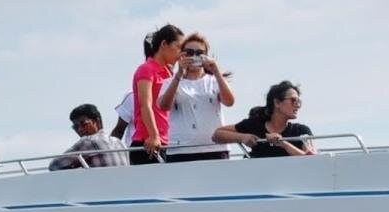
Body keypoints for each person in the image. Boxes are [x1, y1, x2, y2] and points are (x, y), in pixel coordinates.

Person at [163, 33, 237, 162]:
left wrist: (216, 71)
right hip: (181, 149)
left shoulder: (214, 81)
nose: (194, 57)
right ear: (181, 55)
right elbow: (164, 106)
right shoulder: (171, 82)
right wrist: (178, 75)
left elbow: (229, 102)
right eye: (189, 53)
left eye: (199, 53)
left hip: (214, 148)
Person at [128, 25, 185, 163]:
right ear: (164, 44)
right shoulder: (146, 69)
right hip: (147, 142)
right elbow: (145, 104)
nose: (181, 53)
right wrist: (154, 135)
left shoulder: (169, 73)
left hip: (165, 141)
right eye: (179, 47)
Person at [224, 81, 314, 156]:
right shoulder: (255, 125)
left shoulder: (301, 131)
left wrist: (283, 143)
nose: (297, 105)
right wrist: (242, 137)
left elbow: (312, 158)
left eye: (299, 101)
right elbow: (219, 133)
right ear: (277, 102)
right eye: (293, 100)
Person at [50, 104, 127, 170]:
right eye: (76, 127)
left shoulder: (88, 141)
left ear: (97, 122)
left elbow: (54, 165)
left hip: (99, 182)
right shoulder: (119, 142)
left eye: (84, 124)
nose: (80, 129)